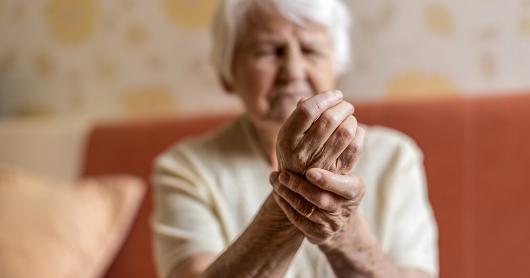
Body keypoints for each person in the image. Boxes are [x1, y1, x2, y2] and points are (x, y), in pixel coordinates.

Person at [151, 0, 438, 277]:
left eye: (310, 50)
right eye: (269, 51)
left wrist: (343, 231)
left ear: (335, 66)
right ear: (228, 74)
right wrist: (294, 198)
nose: (293, 71)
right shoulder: (184, 167)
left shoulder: (394, 155)